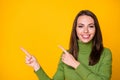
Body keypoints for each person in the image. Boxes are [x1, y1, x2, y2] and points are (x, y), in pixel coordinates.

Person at [21, 10, 112, 80]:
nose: (85, 30)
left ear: (96, 29)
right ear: (75, 30)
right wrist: (36, 66)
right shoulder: (66, 55)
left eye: (90, 26)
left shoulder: (105, 53)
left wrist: (75, 64)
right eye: (81, 26)